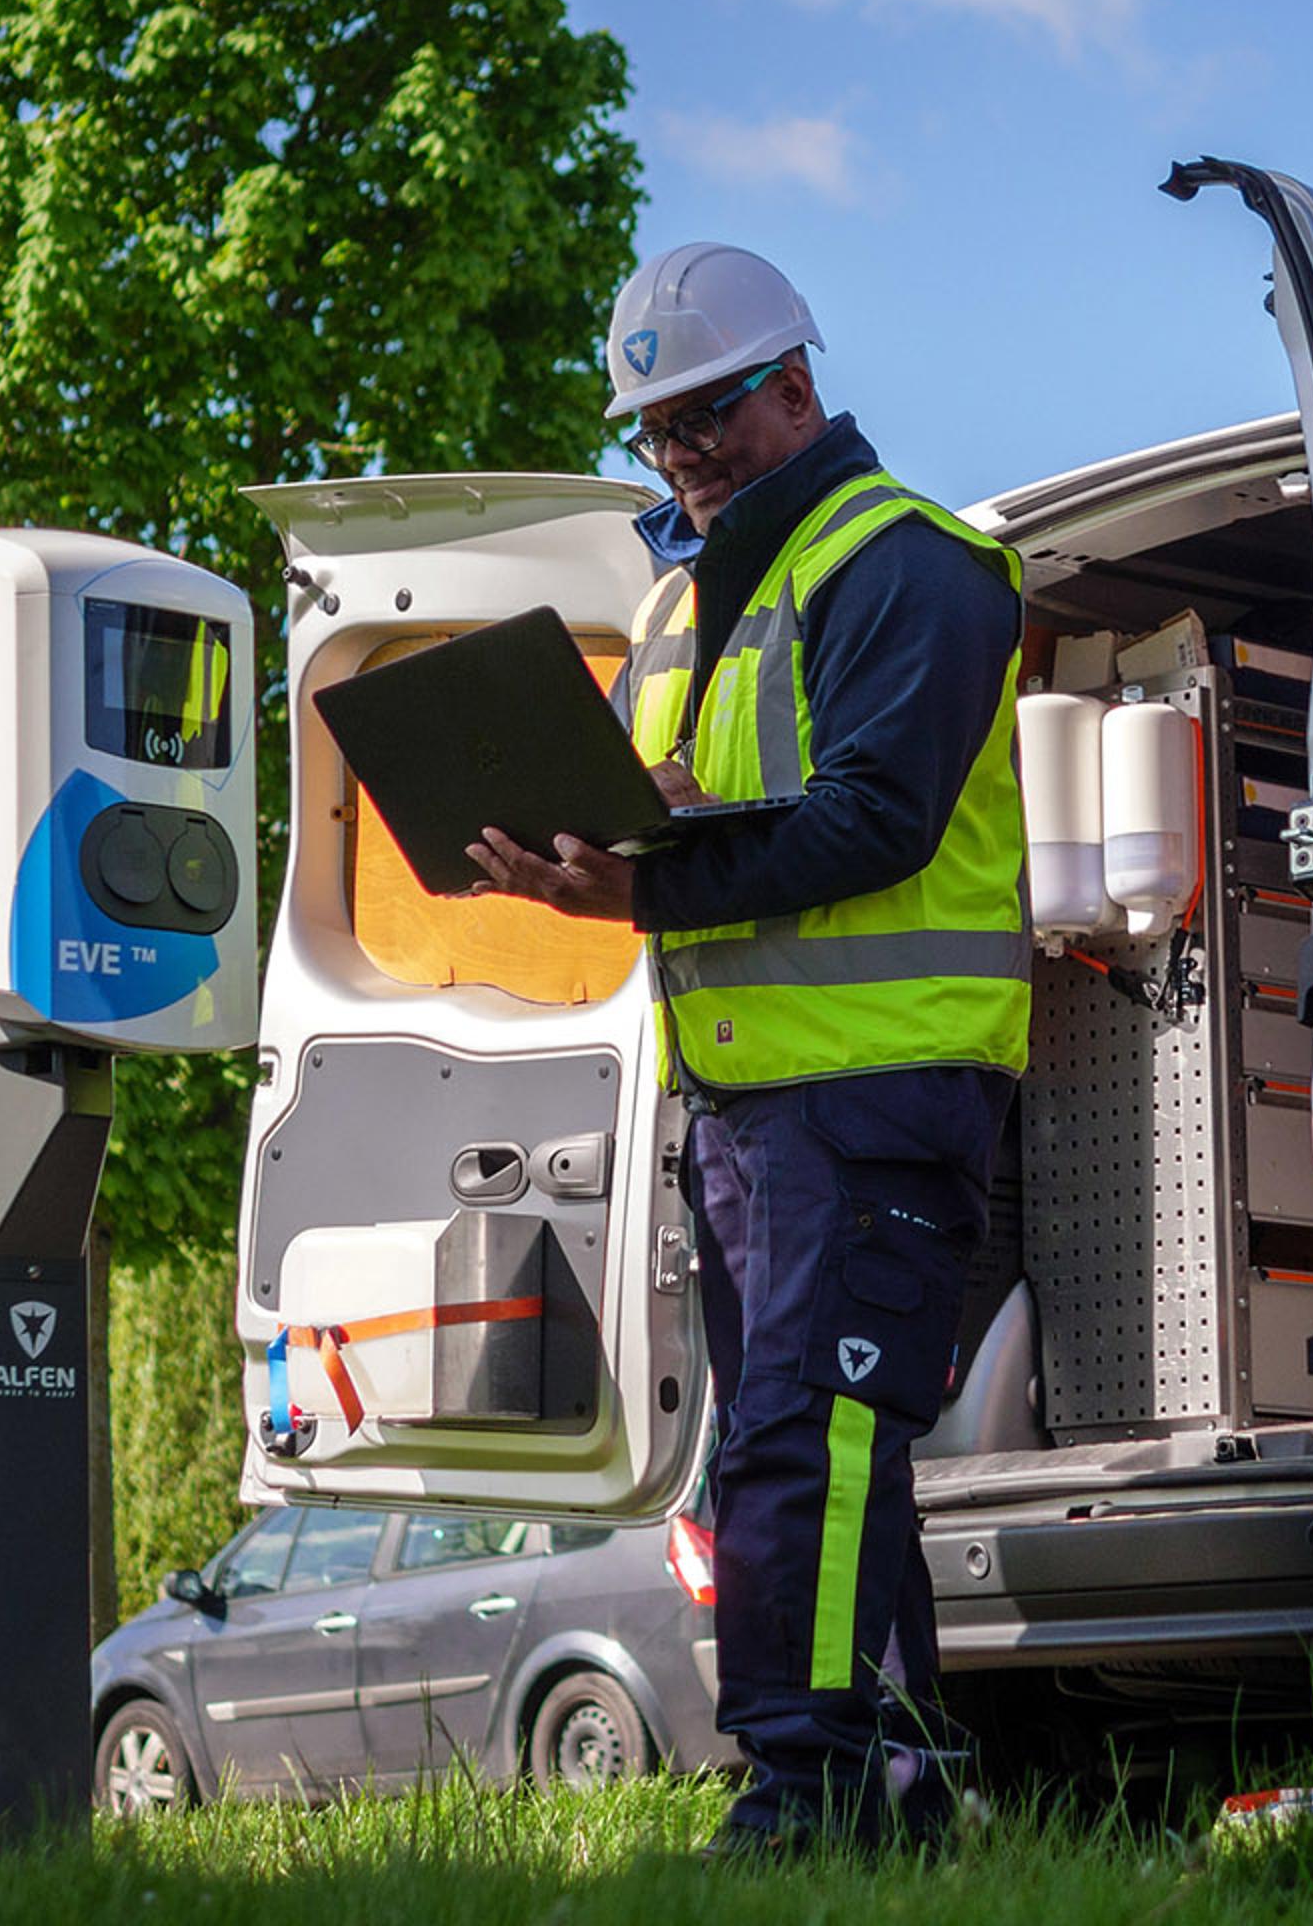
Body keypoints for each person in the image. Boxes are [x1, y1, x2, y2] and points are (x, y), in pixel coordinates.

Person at [465, 242, 1027, 1852]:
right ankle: (898, 1794)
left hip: (875, 1092)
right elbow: (685, 819)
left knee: (802, 1443)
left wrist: (653, 873)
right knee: (822, 1454)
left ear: (795, 384)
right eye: (655, 429)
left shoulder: (913, 563)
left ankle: (806, 1790)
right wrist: (579, 850)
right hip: (745, 1109)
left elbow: (873, 821)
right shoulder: (672, 604)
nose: (681, 452)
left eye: (706, 414)